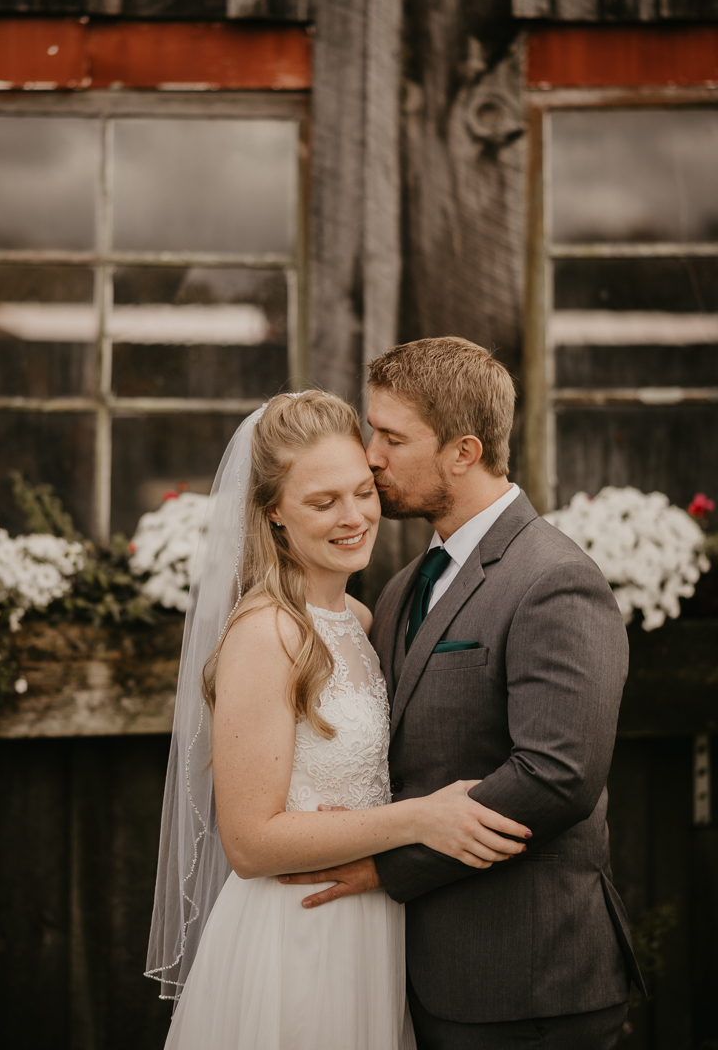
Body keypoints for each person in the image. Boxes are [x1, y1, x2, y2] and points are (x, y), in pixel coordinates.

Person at [279, 338, 644, 1050]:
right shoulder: (400, 585)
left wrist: (389, 865)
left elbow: (558, 775)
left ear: (464, 452)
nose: (371, 455)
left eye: (391, 437)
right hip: (417, 974)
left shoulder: (554, 579)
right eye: (370, 431)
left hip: (528, 983)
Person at [146, 390, 531, 1050]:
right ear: (273, 512)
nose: (354, 517)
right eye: (323, 503)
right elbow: (249, 842)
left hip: (371, 925)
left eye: (362, 492)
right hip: (295, 932)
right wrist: (420, 818)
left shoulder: (361, 622)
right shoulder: (267, 634)